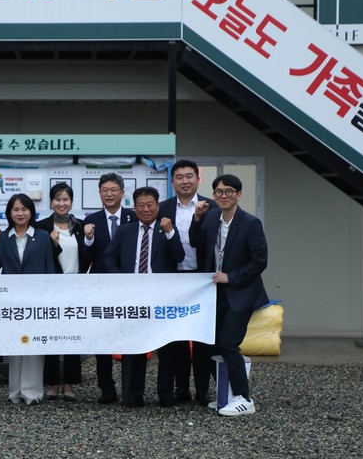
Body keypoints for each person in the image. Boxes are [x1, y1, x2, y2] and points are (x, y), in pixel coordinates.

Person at [189, 174, 269, 417]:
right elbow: (196, 242)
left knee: (228, 343)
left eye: (229, 191)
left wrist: (231, 277)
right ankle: (226, 394)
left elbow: (260, 261)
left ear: (239, 195)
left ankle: (244, 398)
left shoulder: (251, 223)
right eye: (219, 192)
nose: (224, 196)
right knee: (212, 344)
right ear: (214, 195)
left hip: (241, 293)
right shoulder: (211, 216)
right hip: (215, 293)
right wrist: (196, 218)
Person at [103, 186, 185, 408]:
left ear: (158, 206)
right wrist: (122, 280)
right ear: (135, 207)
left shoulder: (167, 228)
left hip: (162, 297)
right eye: (141, 205)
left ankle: (165, 396)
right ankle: (132, 396)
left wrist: (170, 233)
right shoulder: (125, 231)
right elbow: (109, 257)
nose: (146, 209)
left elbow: (179, 256)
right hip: (133, 297)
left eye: (150, 205)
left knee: (166, 349)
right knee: (134, 346)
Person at [157, 160, 217, 406]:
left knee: (202, 339)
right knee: (177, 339)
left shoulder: (212, 207)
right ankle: (181, 389)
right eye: (179, 177)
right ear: (172, 182)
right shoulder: (162, 208)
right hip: (172, 280)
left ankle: (203, 390)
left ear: (198, 179)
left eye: (189, 176)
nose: (184, 181)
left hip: (203, 279)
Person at [0, 193, 55, 405]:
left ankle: (32, 392)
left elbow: (49, 268)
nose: (20, 213)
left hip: (37, 299)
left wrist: (50, 297)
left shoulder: (42, 236)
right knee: (15, 344)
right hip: (13, 301)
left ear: (31, 212)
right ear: (9, 213)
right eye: (15, 209)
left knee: (34, 345)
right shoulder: (3, 237)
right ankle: (15, 391)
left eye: (24, 209)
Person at [82, 172, 137, 404]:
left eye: (114, 190)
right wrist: (88, 239)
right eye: (105, 190)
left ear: (122, 193)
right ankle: (106, 388)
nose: (109, 194)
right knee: (102, 339)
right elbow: (86, 258)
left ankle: (130, 388)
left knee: (129, 336)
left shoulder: (134, 217)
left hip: (129, 285)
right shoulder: (90, 220)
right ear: (100, 194)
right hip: (101, 286)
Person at [37, 182, 89, 402]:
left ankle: (69, 383)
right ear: (51, 202)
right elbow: (41, 257)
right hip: (51, 287)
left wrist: (89, 239)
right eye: (57, 199)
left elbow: (87, 256)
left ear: (71, 202)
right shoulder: (41, 227)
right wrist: (53, 244)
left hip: (75, 287)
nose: (61, 203)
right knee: (51, 335)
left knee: (72, 336)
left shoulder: (80, 225)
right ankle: (52, 383)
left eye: (65, 199)